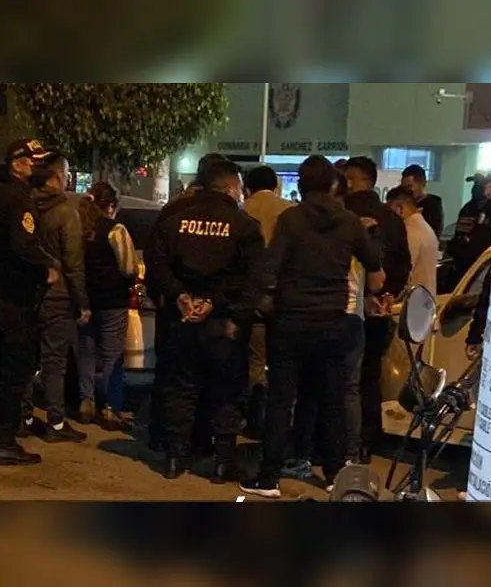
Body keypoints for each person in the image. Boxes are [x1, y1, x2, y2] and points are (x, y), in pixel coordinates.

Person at [239, 155, 384, 499]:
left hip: (290, 323)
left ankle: (270, 476)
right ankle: (334, 473)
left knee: (280, 399)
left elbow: (268, 268)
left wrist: (248, 307)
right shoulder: (350, 222)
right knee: (333, 399)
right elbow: (376, 275)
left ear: (301, 185)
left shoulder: (291, 219)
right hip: (332, 324)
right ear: (333, 184)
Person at [149, 159, 265, 482]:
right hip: (223, 325)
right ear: (230, 188)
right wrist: (215, 301)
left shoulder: (173, 219)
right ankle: (222, 462)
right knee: (226, 392)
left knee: (180, 388)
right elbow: (251, 276)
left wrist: (179, 295)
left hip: (180, 320)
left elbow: (156, 263)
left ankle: (175, 457)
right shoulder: (244, 226)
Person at [284, 168, 382, 478]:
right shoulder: (355, 228)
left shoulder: (306, 225)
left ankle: (305, 455)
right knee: (342, 392)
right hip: (346, 317)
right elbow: (378, 279)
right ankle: (343, 459)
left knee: (311, 394)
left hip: (315, 316)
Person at [0, 138, 59, 465]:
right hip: (13, 298)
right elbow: (23, 247)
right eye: (36, 162)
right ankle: (5, 441)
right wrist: (46, 268)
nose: (42, 168)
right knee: (14, 371)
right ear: (18, 163)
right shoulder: (16, 198)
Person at [143, 152, 230, 453]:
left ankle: (164, 438)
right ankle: (198, 440)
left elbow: (156, 260)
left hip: (174, 306)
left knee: (170, 375)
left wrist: (170, 295)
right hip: (211, 311)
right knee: (204, 380)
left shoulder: (174, 209)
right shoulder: (223, 213)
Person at [341, 156, 411, 463]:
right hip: (380, 310)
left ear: (353, 180)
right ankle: (368, 441)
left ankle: (343, 443)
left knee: (342, 381)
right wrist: (387, 295)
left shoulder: (342, 215)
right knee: (369, 376)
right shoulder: (392, 218)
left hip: (346, 311)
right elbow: (403, 264)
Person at [27, 152, 90, 443]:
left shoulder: (27, 205)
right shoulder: (66, 212)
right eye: (66, 173)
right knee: (54, 361)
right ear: (57, 176)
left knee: (28, 357)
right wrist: (82, 302)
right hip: (58, 296)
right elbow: (73, 262)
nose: (68, 178)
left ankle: (25, 414)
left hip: (29, 292)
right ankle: (55, 421)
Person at [75, 183, 139, 430]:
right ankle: (110, 408)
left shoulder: (81, 229)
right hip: (112, 300)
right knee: (112, 355)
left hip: (85, 300)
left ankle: (85, 402)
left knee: (86, 353)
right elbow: (129, 267)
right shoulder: (116, 230)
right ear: (111, 206)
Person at [241, 165, 293, 438]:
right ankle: (278, 422)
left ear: (247, 187)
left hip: (252, 297)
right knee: (283, 364)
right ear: (275, 186)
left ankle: (254, 419)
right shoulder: (289, 210)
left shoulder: (242, 209)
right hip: (284, 298)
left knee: (255, 362)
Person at [446, 169, 491, 285]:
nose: (476, 188)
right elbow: (459, 234)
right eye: (475, 184)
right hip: (460, 266)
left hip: (481, 270)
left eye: (481, 184)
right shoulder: (468, 208)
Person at [386, 186, 440, 297]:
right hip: (425, 301)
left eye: (389, 210)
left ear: (399, 208)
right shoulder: (426, 228)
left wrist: (390, 297)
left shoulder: (409, 231)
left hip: (412, 304)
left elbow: (405, 274)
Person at [400, 164, 444, 238]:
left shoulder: (432, 206)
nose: (406, 191)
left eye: (410, 186)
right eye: (403, 188)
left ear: (422, 183)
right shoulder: (405, 203)